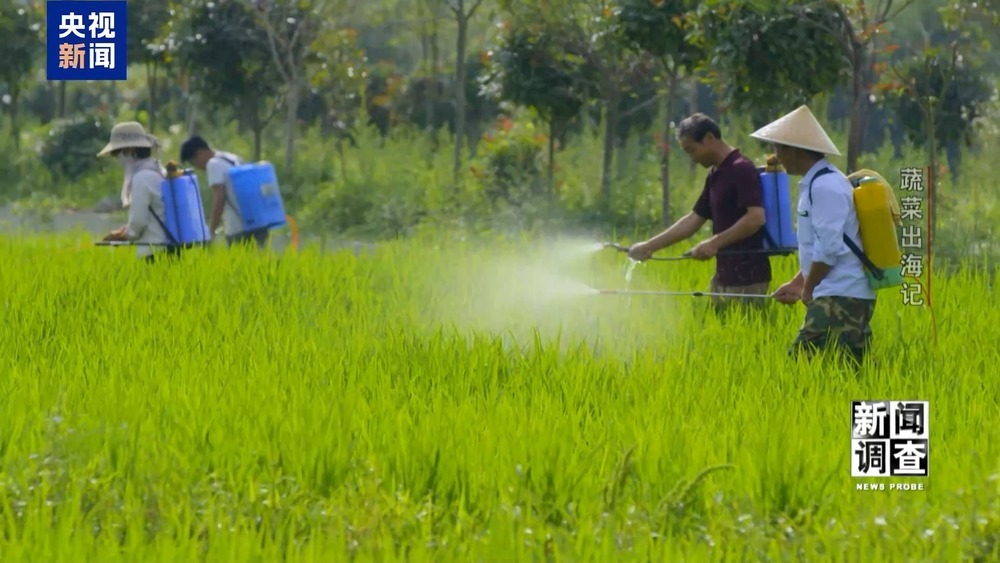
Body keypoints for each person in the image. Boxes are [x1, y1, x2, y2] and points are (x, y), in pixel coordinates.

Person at [750, 105, 876, 368]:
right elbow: (820, 245)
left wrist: (807, 290)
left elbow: (829, 249)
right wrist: (798, 283)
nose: (777, 156)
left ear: (794, 149)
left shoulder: (826, 186)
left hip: (841, 296)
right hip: (837, 295)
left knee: (802, 371)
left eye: (778, 149)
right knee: (848, 373)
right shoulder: (816, 182)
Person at [628, 113, 771, 313]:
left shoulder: (741, 168)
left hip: (749, 278)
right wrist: (649, 246)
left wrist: (714, 243)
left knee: (744, 334)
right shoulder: (715, 174)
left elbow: (756, 218)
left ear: (710, 138)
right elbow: (694, 219)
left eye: (692, 150)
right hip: (724, 275)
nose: (692, 159)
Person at [98, 122, 176, 262]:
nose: (118, 159)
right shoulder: (157, 171)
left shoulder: (142, 177)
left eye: (117, 153)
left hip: (154, 252)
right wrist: (124, 231)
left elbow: (139, 222)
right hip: (170, 248)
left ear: (129, 150)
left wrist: (123, 235)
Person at [179, 135, 269, 249]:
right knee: (259, 263)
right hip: (258, 222)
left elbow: (219, 198)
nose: (196, 167)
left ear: (199, 153)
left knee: (241, 266)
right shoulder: (230, 157)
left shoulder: (213, 164)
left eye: (193, 162)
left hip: (238, 228)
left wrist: (211, 231)